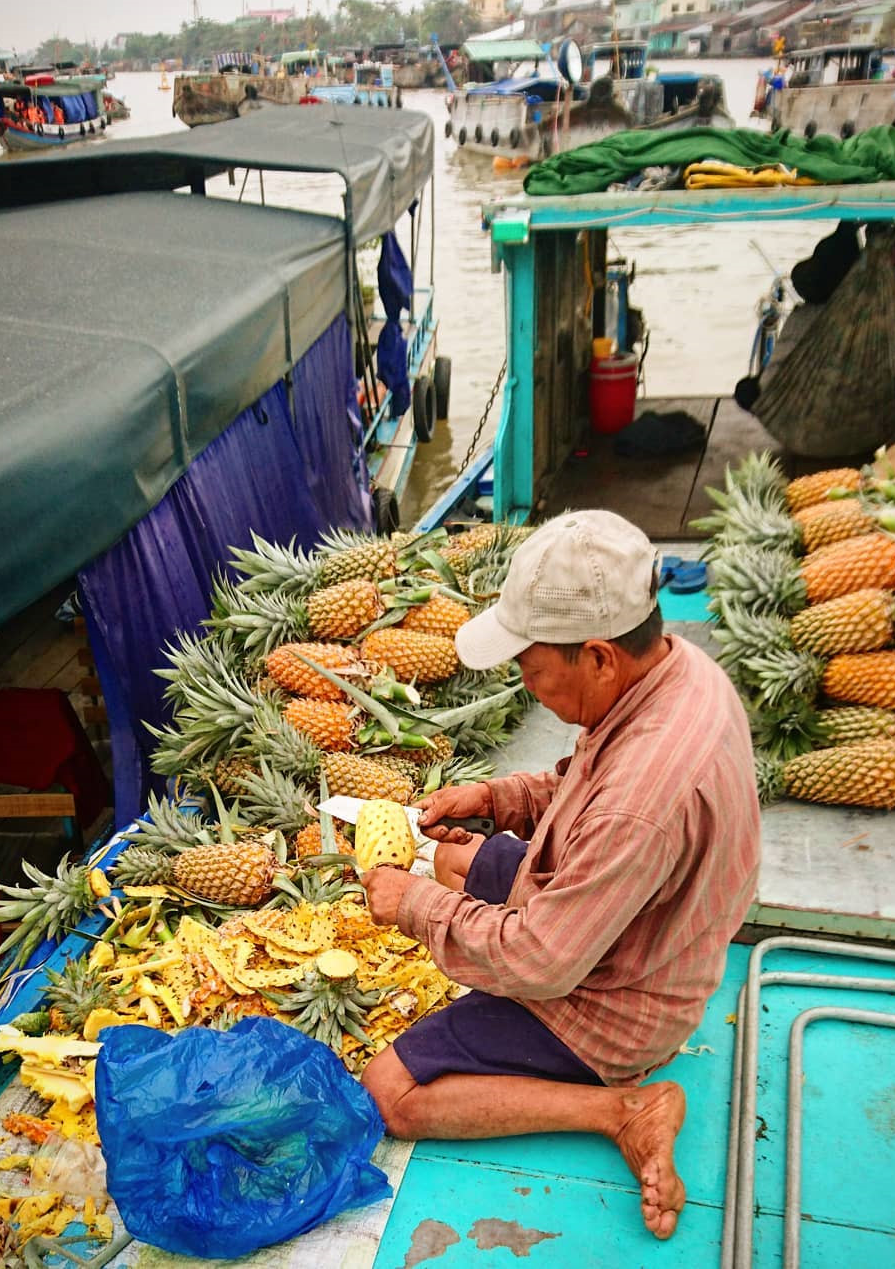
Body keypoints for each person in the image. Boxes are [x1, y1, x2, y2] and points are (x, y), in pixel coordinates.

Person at [360, 509, 760, 1241]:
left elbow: (541, 960)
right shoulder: (676, 667)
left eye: (531, 667)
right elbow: (586, 785)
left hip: (621, 998)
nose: (525, 683)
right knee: (452, 856)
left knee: (392, 1092)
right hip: (637, 916)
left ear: (600, 658)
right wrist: (497, 800)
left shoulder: (643, 801)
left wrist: (414, 905)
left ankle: (621, 1108)